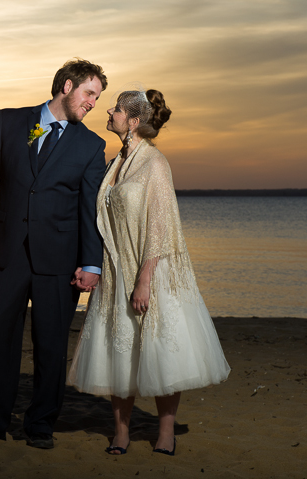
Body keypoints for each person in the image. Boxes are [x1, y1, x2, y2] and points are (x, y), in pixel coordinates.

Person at [67, 88, 231, 456]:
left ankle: (166, 433)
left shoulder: (155, 164)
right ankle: (121, 432)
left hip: (150, 270)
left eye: (117, 109)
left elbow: (161, 225)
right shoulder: (116, 163)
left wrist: (145, 279)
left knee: (161, 351)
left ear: (134, 121)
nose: (108, 111)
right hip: (116, 268)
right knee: (117, 351)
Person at [0, 59, 108, 450]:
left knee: (52, 346)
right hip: (7, 252)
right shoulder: (13, 123)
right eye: (89, 93)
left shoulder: (91, 145)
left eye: (97, 97)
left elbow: (89, 209)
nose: (93, 102)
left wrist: (91, 263)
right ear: (68, 86)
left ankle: (40, 426)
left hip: (58, 260)